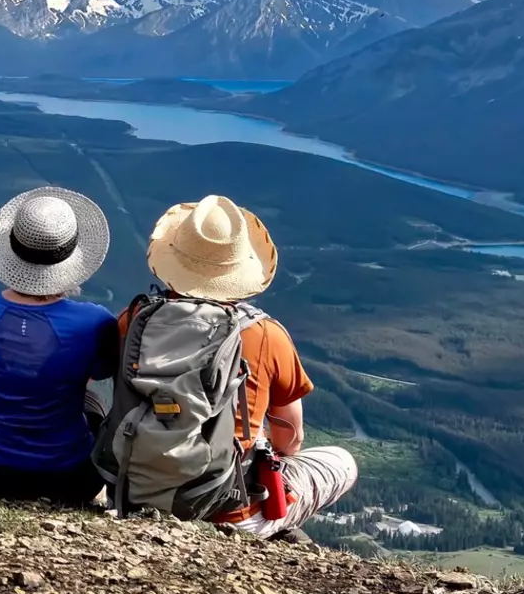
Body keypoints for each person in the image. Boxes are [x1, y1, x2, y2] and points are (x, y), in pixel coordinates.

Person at [116, 194, 357, 537]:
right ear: (237, 270)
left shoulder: (133, 321)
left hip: (135, 494)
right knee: (341, 462)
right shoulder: (265, 334)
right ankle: (273, 533)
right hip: (231, 511)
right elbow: (291, 438)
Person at [0, 186, 119, 507]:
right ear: (72, 256)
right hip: (66, 478)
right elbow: (97, 373)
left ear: (13, 251)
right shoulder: (93, 321)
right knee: (93, 405)